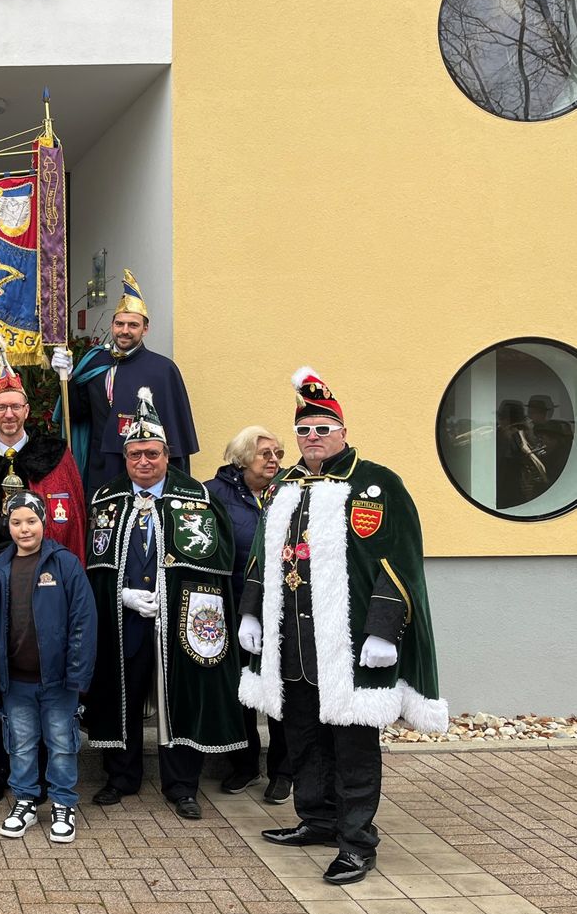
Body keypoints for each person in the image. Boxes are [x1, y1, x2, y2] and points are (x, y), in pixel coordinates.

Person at [237, 368, 446, 887]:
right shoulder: (283, 486)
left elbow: (399, 562)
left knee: (352, 747)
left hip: (348, 644)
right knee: (303, 737)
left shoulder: (377, 483)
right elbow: (264, 558)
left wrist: (383, 629)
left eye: (323, 427)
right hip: (293, 644)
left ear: (343, 432)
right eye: (304, 429)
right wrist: (250, 612)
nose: (313, 437)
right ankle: (318, 819)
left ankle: (356, 842)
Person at [85, 388, 245, 819]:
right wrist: (122, 595)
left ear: (167, 454)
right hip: (125, 622)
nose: (143, 462)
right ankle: (121, 777)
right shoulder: (105, 498)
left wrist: (172, 596)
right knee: (122, 696)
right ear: (124, 456)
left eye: (151, 454)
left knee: (180, 698)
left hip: (178, 624)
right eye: (135, 454)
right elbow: (93, 566)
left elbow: (217, 562)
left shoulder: (198, 497)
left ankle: (181, 786)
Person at [0, 337, 86, 805]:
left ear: (28, 409)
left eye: (15, 405)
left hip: (46, 586)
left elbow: (72, 524)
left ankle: (50, 770)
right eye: (0, 406)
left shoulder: (56, 456)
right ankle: (1, 767)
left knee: (45, 680)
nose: (8, 414)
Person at [0, 493, 97, 844]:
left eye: (31, 521)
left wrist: (78, 673)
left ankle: (63, 803)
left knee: (61, 742)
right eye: (16, 522)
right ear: (7, 525)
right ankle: (25, 800)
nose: (24, 529)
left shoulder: (65, 564)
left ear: (44, 522)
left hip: (58, 680)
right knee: (21, 744)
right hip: (15, 681)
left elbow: (83, 622)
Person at [204, 425, 293, 804]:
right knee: (240, 690)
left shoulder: (290, 490)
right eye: (266, 454)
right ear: (242, 459)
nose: (274, 460)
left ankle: (283, 771)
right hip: (233, 605)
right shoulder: (214, 493)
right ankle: (243, 764)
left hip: (284, 606)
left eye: (278, 454)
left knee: (280, 690)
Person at [52, 269, 199, 493]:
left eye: (133, 325)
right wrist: (68, 378)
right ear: (112, 325)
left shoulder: (163, 369)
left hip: (146, 471)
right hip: (102, 466)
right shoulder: (95, 362)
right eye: (119, 324)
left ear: (145, 329)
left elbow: (175, 438)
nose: (125, 331)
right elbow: (77, 413)